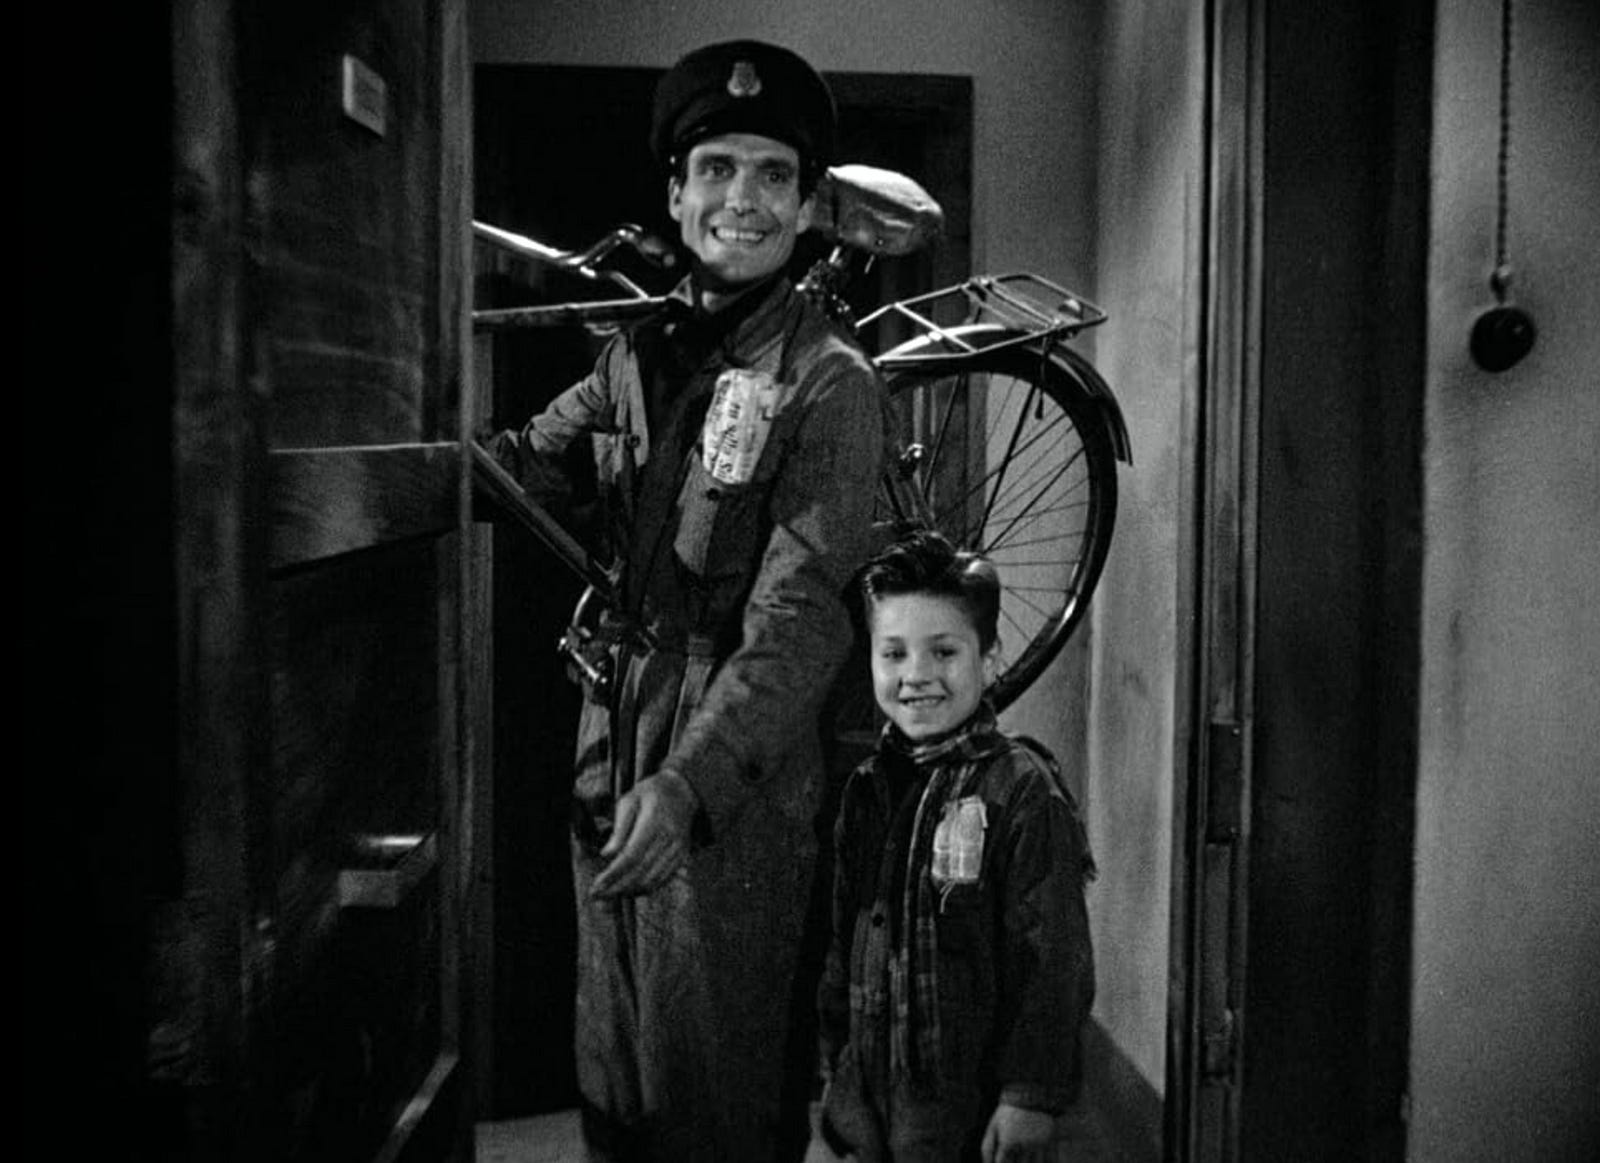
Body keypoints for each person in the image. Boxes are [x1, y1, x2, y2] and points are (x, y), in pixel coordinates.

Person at [484, 39, 893, 1163]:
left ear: (807, 207)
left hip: (730, 784)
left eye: (772, 175)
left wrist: (688, 784)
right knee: (615, 1075)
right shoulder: (638, 354)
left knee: (716, 1089)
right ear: (675, 194)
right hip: (608, 744)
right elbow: (521, 463)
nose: (741, 200)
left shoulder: (829, 381)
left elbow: (801, 617)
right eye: (716, 169)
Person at [811, 531, 1096, 1163]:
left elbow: (1053, 960)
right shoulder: (865, 789)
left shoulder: (1022, 790)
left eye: (943, 652)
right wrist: (832, 1078)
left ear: (989, 660)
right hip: (864, 1099)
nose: (916, 675)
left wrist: (1029, 1097)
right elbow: (841, 941)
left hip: (964, 1109)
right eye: (894, 653)